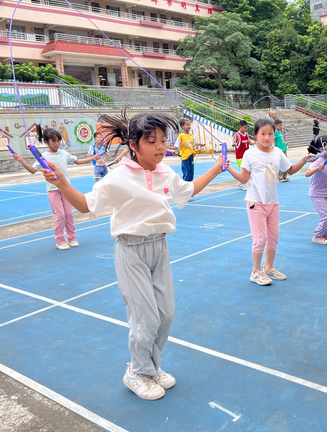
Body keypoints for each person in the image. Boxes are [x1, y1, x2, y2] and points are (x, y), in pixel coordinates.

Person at [40, 112, 227, 400]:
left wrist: (215, 169)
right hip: (130, 249)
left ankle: (151, 367)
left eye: (164, 140)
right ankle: (137, 372)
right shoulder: (118, 176)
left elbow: (187, 191)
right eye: (152, 141)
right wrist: (63, 183)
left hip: (160, 247)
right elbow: (87, 206)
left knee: (165, 314)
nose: (161, 147)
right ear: (134, 145)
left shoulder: (166, 172)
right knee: (145, 316)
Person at [225, 117, 313, 286]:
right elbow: (244, 179)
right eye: (262, 134)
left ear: (275, 135)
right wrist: (229, 168)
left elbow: (290, 170)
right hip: (255, 202)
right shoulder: (249, 154)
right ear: (255, 135)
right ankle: (255, 271)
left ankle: (269, 267)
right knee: (260, 238)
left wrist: (303, 159)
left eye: (270, 134)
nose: (266, 137)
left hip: (273, 203)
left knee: (273, 238)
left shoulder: (277, 152)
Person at [13, 124, 99, 250]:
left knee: (69, 214)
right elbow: (32, 170)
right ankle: (60, 240)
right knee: (60, 215)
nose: (57, 143)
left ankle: (71, 238)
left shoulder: (64, 153)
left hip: (66, 189)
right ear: (46, 141)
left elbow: (77, 162)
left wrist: (92, 158)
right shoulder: (43, 156)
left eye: (58, 140)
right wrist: (20, 159)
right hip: (53, 190)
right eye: (54, 140)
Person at [306, 135, 327, 245]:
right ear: (321, 148)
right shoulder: (318, 161)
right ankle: (317, 235)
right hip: (318, 194)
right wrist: (317, 168)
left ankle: (324, 234)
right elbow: (307, 174)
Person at [233, 120, 255, 190]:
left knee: (248, 170)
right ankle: (241, 183)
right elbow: (234, 141)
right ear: (240, 127)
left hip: (247, 156)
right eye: (244, 128)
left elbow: (250, 142)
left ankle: (241, 182)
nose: (246, 129)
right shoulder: (237, 134)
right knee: (244, 171)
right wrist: (234, 144)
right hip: (240, 156)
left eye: (246, 128)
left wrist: (257, 142)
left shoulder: (246, 134)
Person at [273, 117, 289, 182]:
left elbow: (280, 140)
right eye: (279, 125)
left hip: (284, 148)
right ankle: (280, 177)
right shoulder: (274, 133)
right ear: (275, 126)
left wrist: (284, 143)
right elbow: (273, 141)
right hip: (279, 150)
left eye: (281, 125)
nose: (281, 126)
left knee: (286, 162)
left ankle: (285, 176)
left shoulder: (279, 132)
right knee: (280, 163)